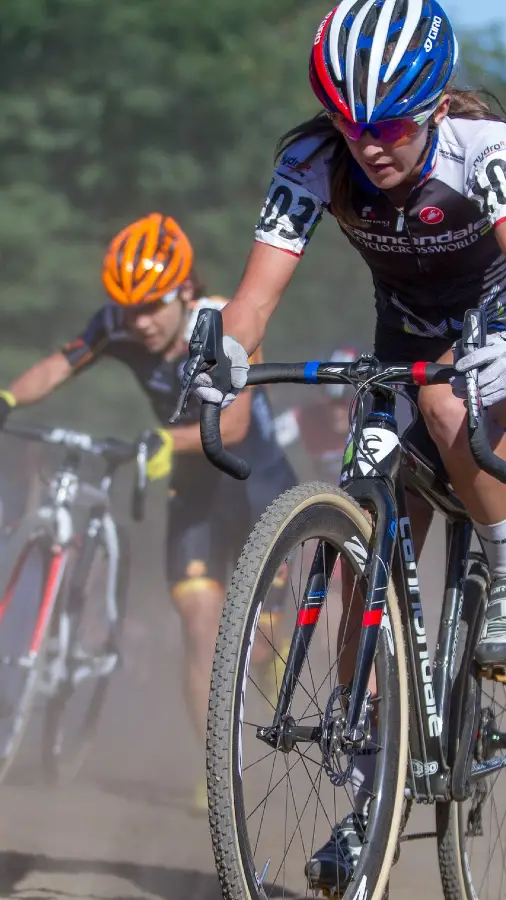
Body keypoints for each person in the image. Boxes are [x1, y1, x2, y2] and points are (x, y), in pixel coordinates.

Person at [182, 0, 506, 885]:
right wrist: (231, 351)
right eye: (349, 123)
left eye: (392, 125)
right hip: (403, 343)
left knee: (448, 408)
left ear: (435, 104)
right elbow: (253, 299)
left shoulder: (480, 145)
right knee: (364, 537)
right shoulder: (310, 160)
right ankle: (373, 794)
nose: (371, 145)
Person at [0, 212, 296, 808]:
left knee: (258, 648)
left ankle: (267, 672)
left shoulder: (223, 323)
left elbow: (233, 425)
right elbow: (60, 364)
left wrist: (167, 441)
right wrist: (7, 396)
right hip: (192, 492)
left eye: (150, 307)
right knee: (198, 630)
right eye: (126, 308)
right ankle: (219, 764)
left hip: (255, 484)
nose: (137, 322)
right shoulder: (120, 322)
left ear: (184, 290)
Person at [274, 347, 359, 482]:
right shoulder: (305, 417)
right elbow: (265, 442)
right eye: (331, 402)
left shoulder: (377, 421)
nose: (336, 412)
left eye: (343, 403)